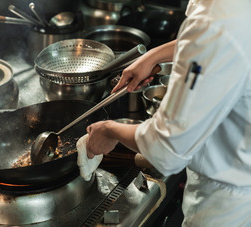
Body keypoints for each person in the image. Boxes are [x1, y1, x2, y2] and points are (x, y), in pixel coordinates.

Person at [84, 0, 251, 226]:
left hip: (226, 205)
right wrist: (154, 55)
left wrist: (109, 130)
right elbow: (217, 41)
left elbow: (168, 148)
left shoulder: (215, 22)